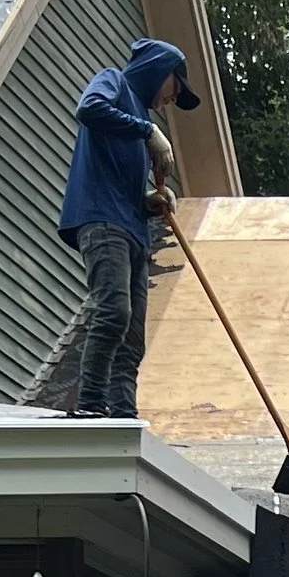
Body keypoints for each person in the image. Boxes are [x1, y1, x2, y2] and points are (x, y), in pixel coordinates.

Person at [57, 39, 200, 419]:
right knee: (114, 310)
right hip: (101, 220)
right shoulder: (114, 83)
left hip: (131, 227)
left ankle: (122, 413)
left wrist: (147, 201)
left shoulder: (139, 120)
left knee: (133, 334)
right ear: (159, 69)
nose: (173, 98)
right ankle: (89, 404)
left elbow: (119, 177)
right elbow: (88, 109)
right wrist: (147, 130)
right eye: (176, 86)